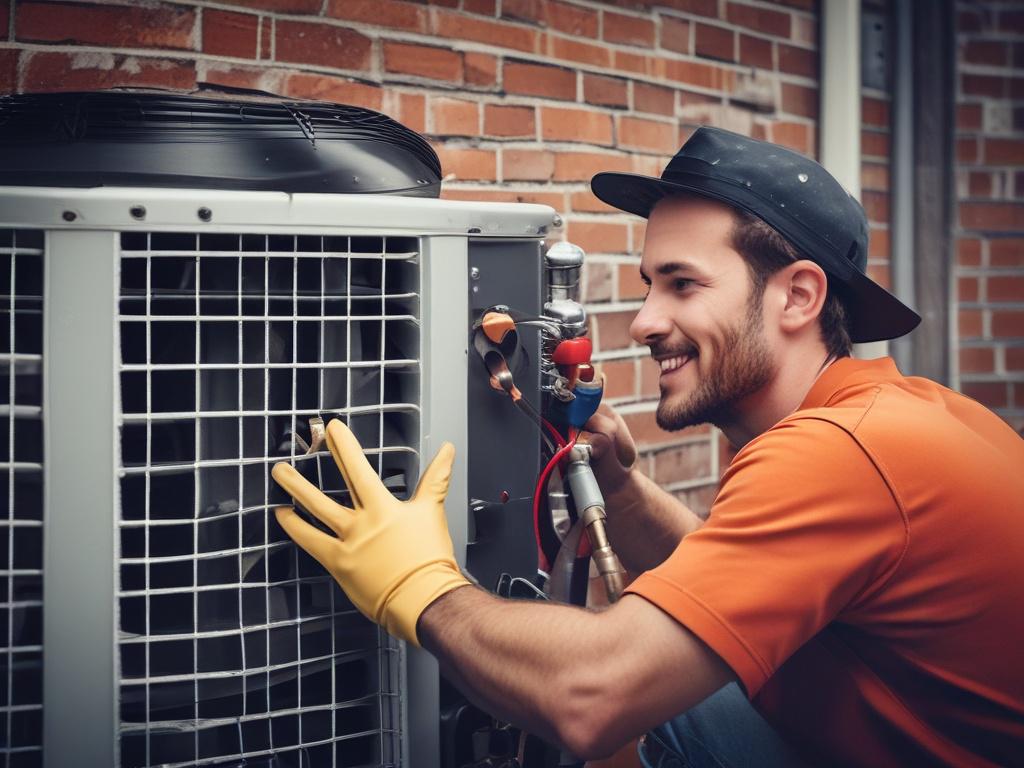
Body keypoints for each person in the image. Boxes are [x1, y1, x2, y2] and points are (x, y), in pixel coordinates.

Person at [271, 127, 1024, 767]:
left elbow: (591, 695)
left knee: (643, 701)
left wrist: (418, 586)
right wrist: (623, 493)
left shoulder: (838, 453)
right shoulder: (889, 414)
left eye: (683, 285)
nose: (643, 321)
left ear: (798, 296)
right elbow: (739, 594)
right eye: (647, 284)